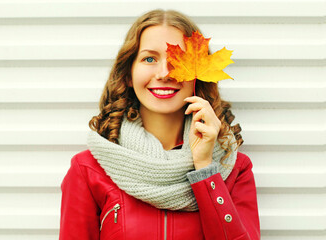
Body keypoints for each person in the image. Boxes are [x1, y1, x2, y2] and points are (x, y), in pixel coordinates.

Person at [59, 9, 260, 240]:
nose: (164, 73)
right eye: (149, 59)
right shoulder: (88, 171)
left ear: (198, 74)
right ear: (127, 75)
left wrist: (205, 169)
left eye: (178, 59)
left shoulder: (233, 168)